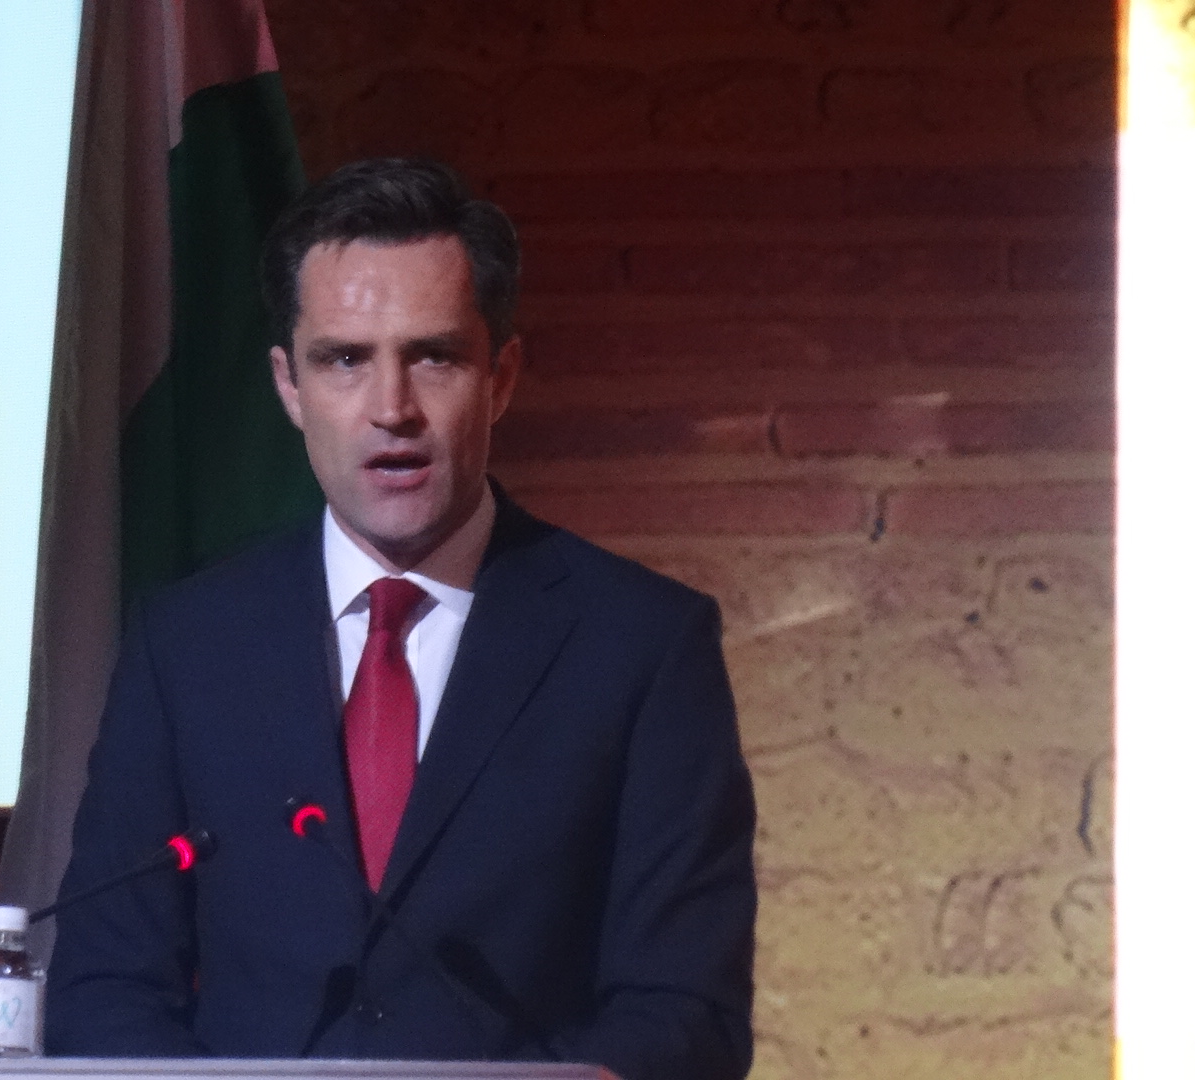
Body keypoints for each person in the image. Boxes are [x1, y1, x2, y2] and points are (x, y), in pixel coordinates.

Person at [44, 158, 756, 1080]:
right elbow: (104, 990)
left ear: (500, 377)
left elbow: (686, 1015)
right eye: (345, 360)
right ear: (288, 386)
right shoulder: (187, 646)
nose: (392, 409)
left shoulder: (641, 646)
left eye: (435, 357)